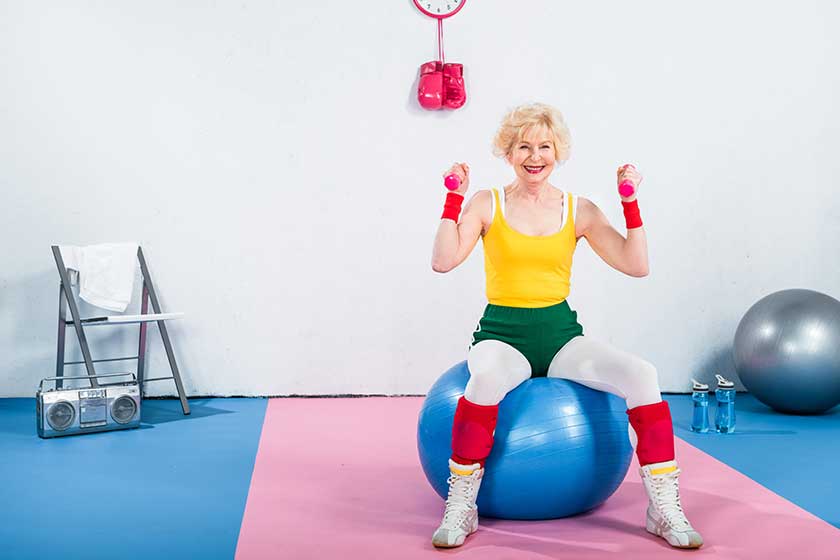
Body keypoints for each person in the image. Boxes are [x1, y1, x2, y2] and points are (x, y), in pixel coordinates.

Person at [429, 103, 703, 550]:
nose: (534, 156)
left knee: (643, 374)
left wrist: (630, 203)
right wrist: (453, 198)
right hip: (501, 335)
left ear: (558, 152)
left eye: (544, 146)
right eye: (523, 147)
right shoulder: (487, 203)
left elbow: (636, 265)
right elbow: (443, 261)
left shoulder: (578, 210)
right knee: (485, 380)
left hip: (559, 336)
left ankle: (663, 510)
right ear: (508, 153)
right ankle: (462, 506)